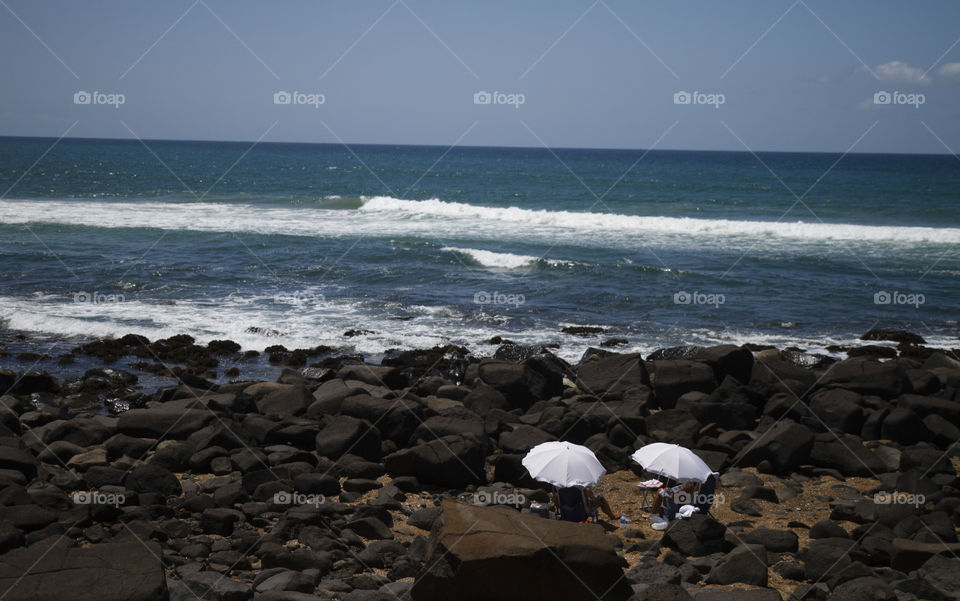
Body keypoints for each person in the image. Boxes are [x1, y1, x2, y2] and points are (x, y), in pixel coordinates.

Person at [552, 485, 618, 522]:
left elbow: (557, 504)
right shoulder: (581, 485)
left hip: (566, 515)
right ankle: (612, 516)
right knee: (601, 498)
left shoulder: (557, 486)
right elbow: (593, 500)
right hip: (582, 514)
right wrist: (597, 500)